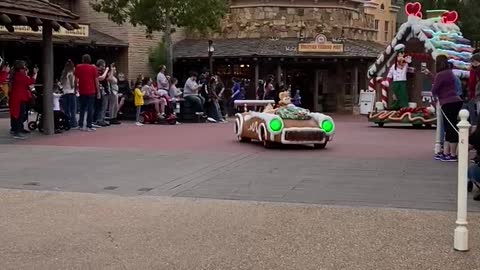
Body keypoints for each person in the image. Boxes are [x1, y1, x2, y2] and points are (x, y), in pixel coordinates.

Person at [432, 55, 463, 162]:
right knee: (450, 126)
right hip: (455, 101)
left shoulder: (440, 74)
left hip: (446, 102)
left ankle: (452, 154)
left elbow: (434, 89)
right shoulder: (449, 72)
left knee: (450, 128)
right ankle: (447, 152)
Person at [9, 60, 37, 139]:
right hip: (19, 98)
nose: (25, 69)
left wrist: (27, 74)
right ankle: (17, 132)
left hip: (16, 97)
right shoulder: (20, 76)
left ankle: (16, 128)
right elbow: (31, 81)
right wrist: (35, 73)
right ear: (21, 68)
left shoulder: (16, 75)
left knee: (16, 114)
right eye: (24, 67)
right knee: (20, 115)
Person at [74, 54, 98, 132]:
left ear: (83, 59)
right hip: (91, 90)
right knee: (90, 108)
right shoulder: (93, 68)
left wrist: (75, 89)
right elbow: (96, 80)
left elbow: (76, 79)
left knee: (82, 108)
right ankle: (89, 125)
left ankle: (80, 124)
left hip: (82, 90)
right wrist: (98, 91)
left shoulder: (78, 67)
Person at [60, 60, 77, 128]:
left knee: (66, 109)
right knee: (73, 109)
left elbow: (61, 84)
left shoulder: (64, 74)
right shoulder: (71, 74)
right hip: (71, 93)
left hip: (65, 92)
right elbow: (72, 85)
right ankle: (73, 123)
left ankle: (67, 122)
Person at [94, 59, 110, 127]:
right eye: (103, 66)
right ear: (99, 65)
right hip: (100, 91)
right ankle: (99, 120)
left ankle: (102, 119)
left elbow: (109, 78)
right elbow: (101, 78)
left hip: (105, 90)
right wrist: (106, 70)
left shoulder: (102, 72)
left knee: (104, 106)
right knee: (100, 106)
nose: (104, 67)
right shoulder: (96, 71)